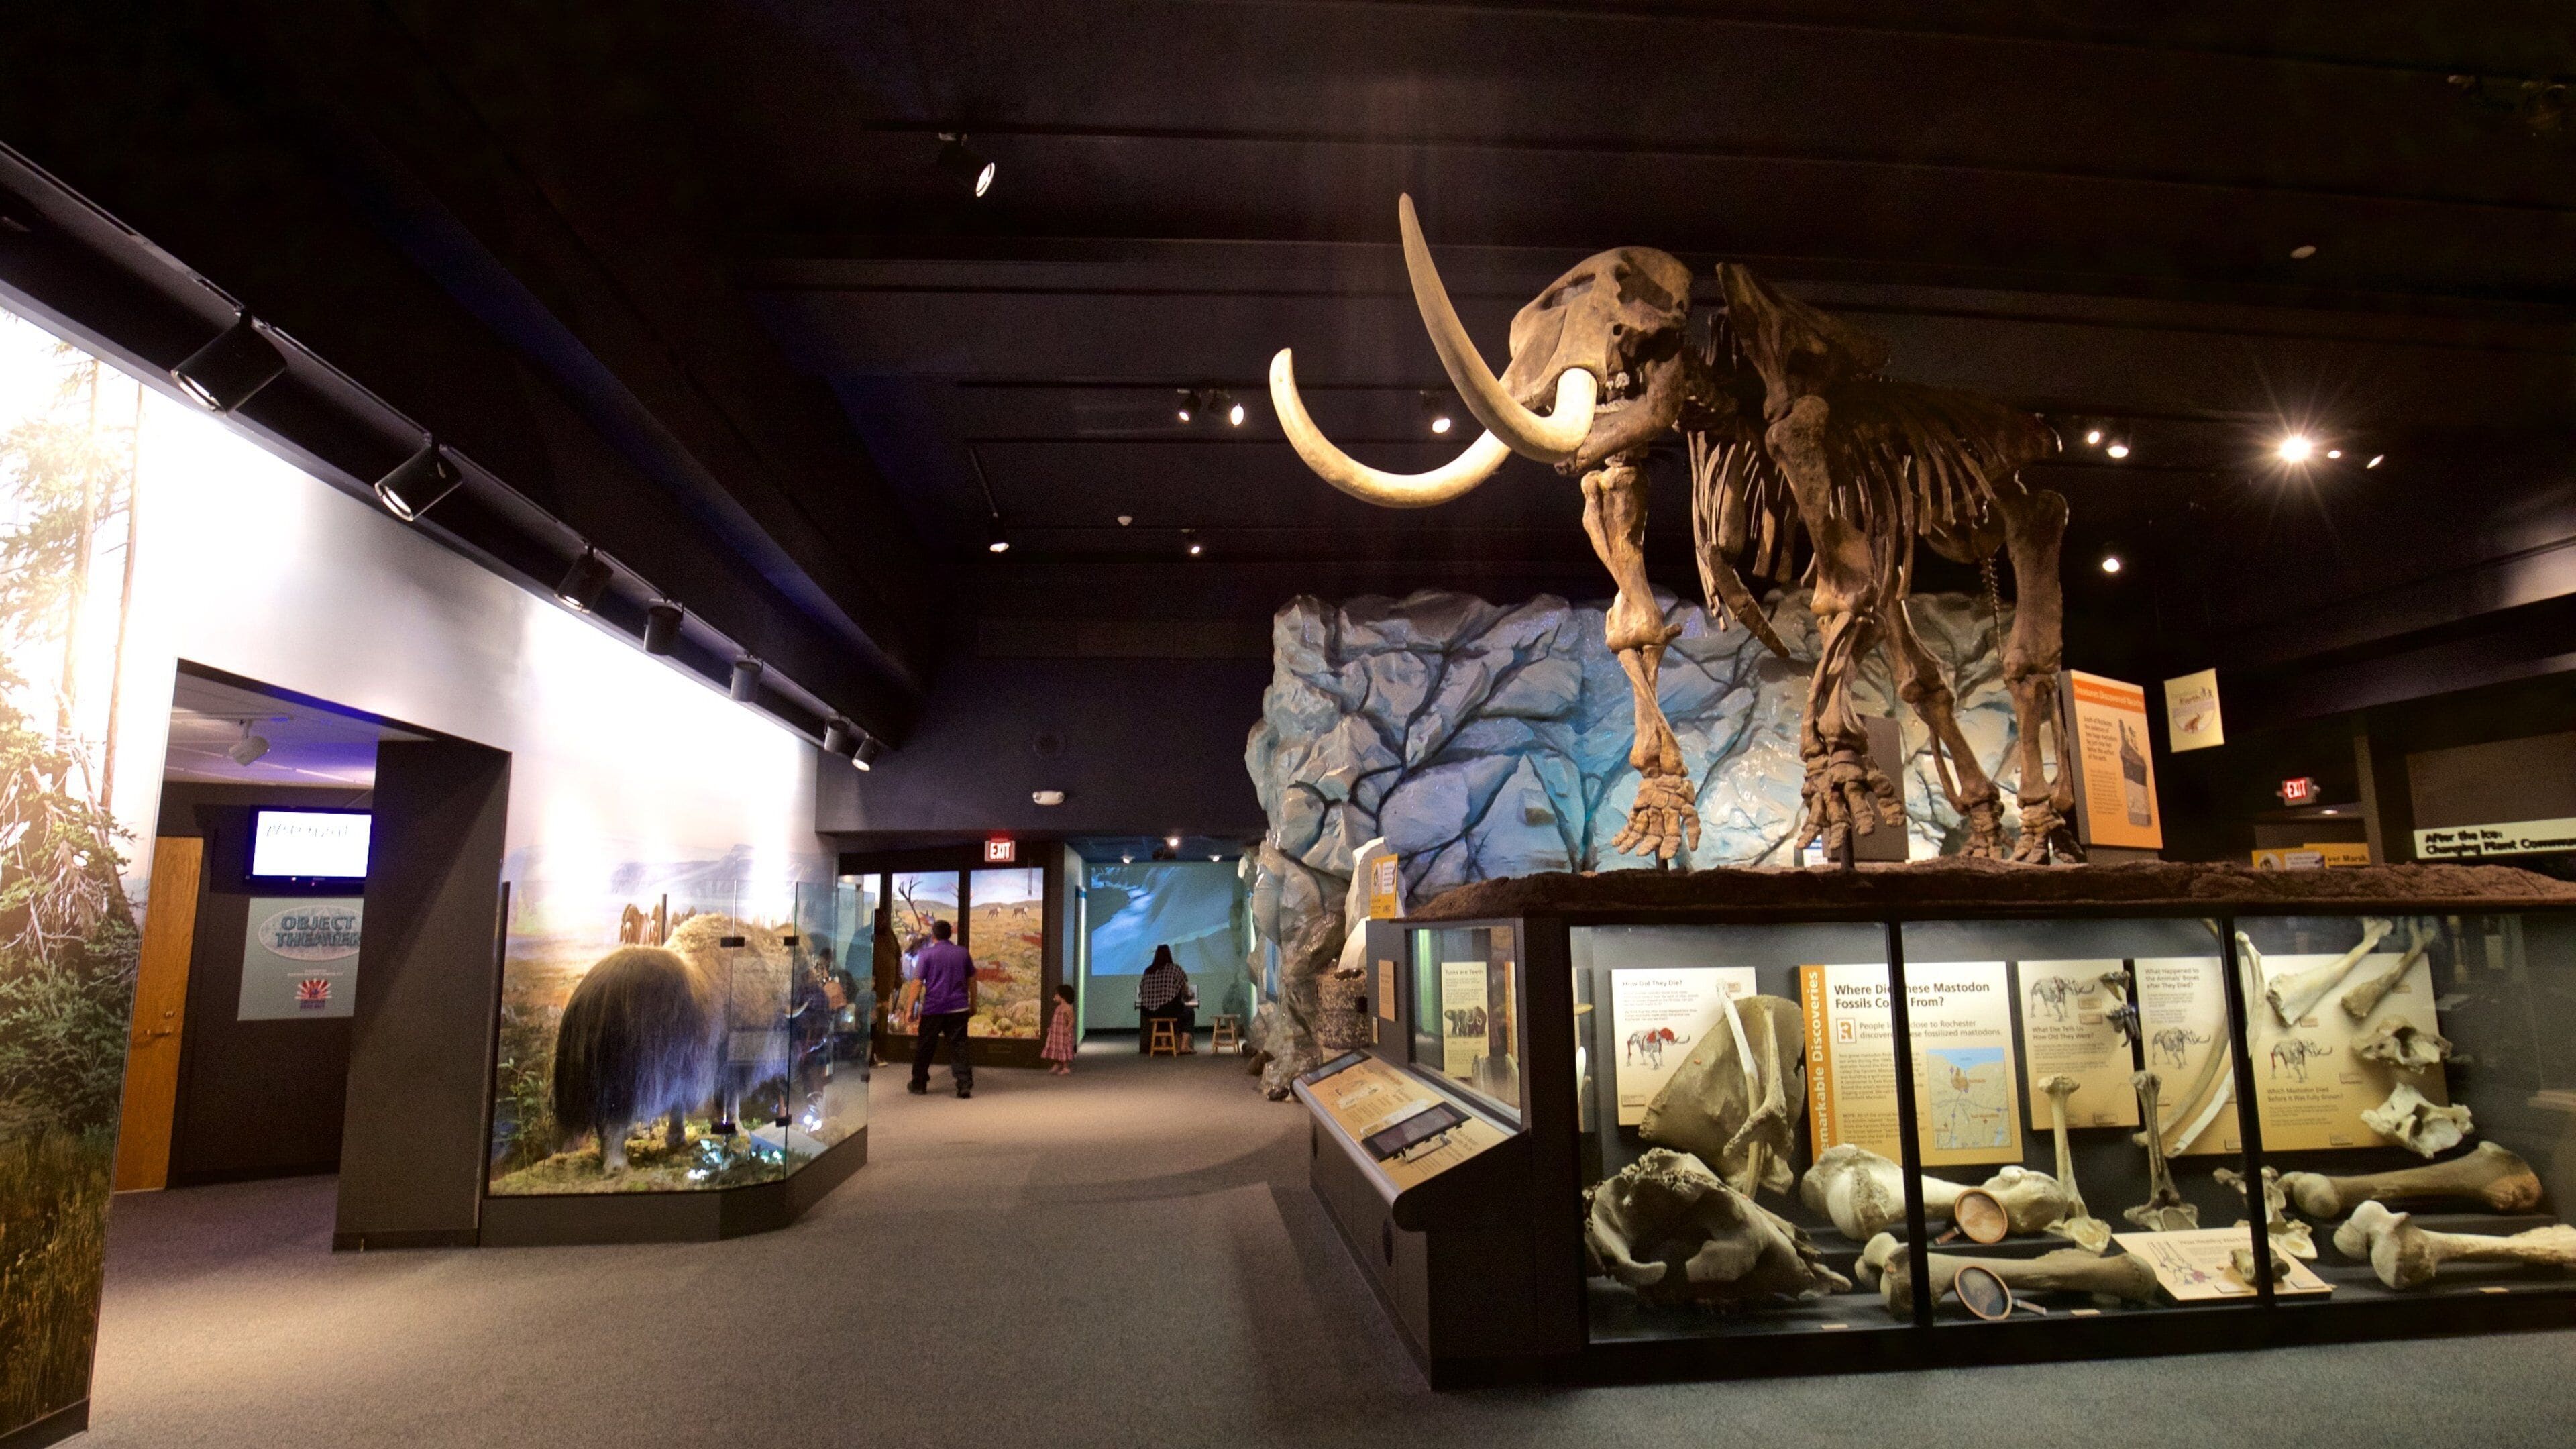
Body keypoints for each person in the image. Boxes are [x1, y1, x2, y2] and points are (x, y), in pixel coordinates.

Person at [907, 919, 976, 1098]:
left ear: (933, 935)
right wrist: (973, 1004)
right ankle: (964, 1085)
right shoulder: (962, 953)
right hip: (959, 1008)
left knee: (926, 1046)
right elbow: (972, 981)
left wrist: (909, 1009)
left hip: (933, 1009)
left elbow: (917, 983)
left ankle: (919, 1083)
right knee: (959, 1046)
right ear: (950, 934)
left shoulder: (926, 955)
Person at [1136, 943, 1197, 1055]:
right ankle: (1184, 1046)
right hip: (1169, 1009)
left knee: (1164, 1013)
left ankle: (1164, 1046)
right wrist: (1189, 996)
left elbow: (1142, 990)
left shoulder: (1148, 971)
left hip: (1149, 1011)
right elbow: (1184, 987)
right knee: (1188, 1013)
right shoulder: (1175, 969)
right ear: (1169, 955)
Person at [1040, 982, 1078, 1075]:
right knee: (1056, 1048)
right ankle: (1057, 1064)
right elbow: (1055, 1020)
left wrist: (1068, 1029)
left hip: (1064, 1034)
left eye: (1057, 994)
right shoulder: (1058, 1008)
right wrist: (1051, 1028)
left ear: (1063, 996)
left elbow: (1072, 1020)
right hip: (1056, 1033)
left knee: (1063, 1048)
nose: (1055, 996)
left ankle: (1066, 1067)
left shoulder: (1068, 1008)